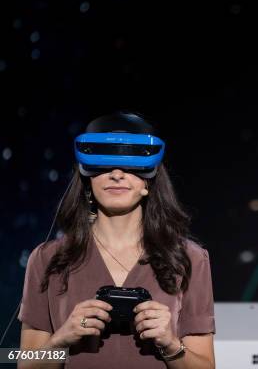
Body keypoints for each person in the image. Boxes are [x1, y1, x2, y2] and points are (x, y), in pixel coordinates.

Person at [17, 111, 215, 368]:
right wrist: (61, 340)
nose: (117, 174)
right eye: (104, 165)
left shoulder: (189, 258)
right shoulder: (47, 259)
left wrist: (170, 343)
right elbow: (22, 362)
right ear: (88, 179)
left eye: (130, 164)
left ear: (149, 180)